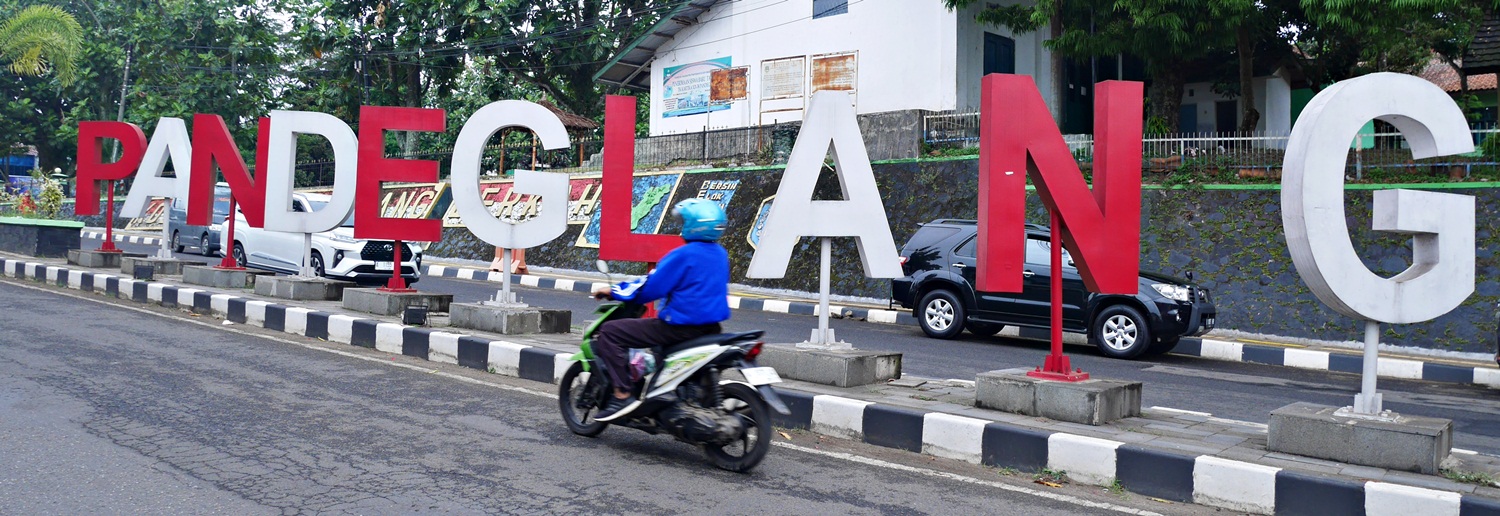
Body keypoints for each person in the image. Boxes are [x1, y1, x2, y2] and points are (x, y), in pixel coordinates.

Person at [588, 198, 731, 421]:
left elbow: (651, 288)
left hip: (679, 328)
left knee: (610, 332)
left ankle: (622, 394)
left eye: (684, 220)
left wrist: (613, 291)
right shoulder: (720, 254)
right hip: (711, 330)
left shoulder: (684, 255)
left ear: (693, 224)